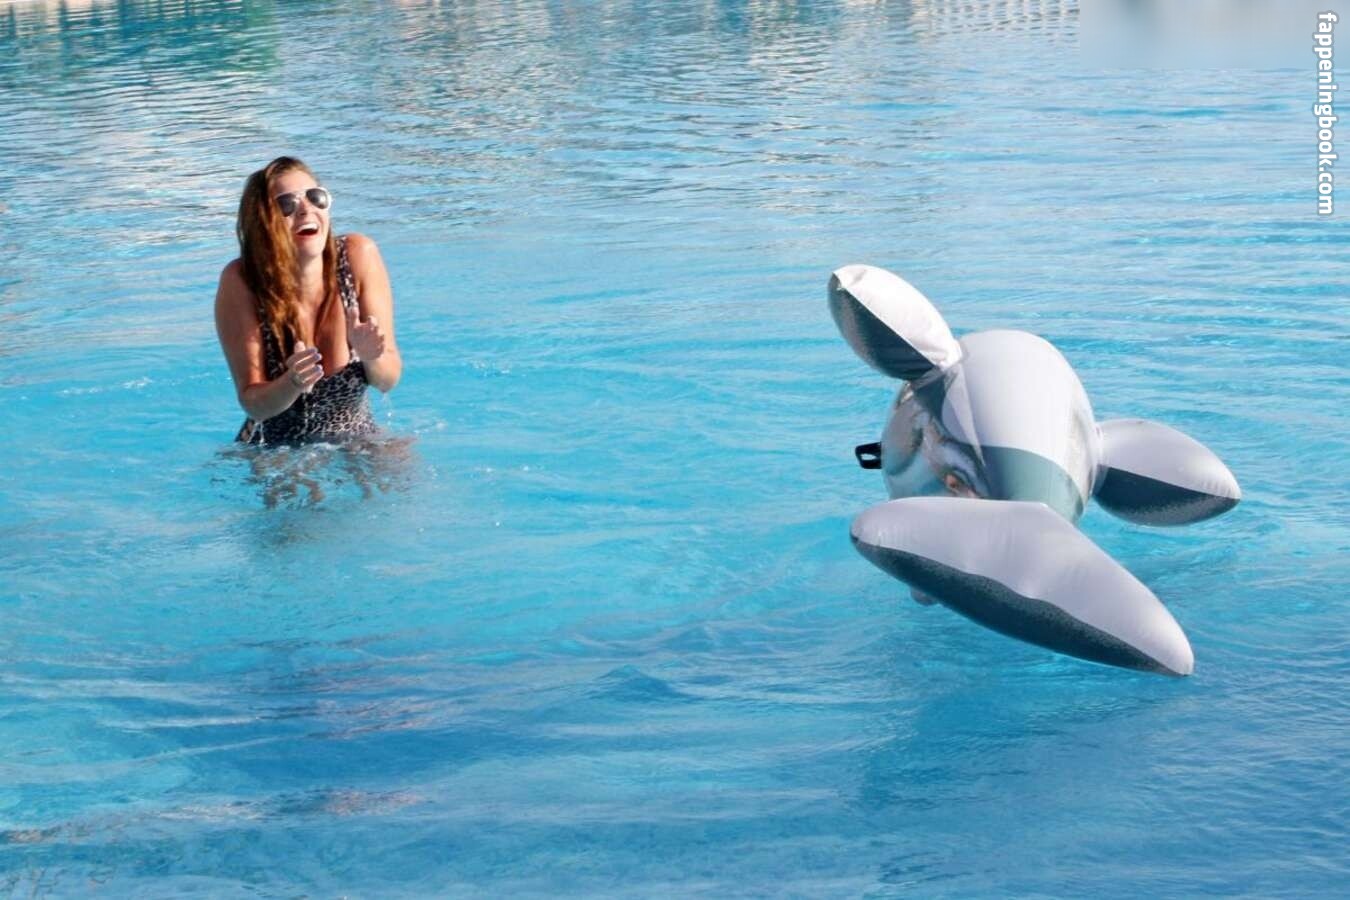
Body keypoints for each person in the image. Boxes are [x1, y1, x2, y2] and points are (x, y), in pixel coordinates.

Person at [215, 156, 402, 444]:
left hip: (356, 434)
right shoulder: (242, 281)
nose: (306, 209)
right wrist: (292, 382)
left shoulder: (357, 257)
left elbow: (388, 380)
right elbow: (253, 404)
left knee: (402, 463)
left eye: (316, 197)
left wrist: (371, 357)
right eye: (287, 204)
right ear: (263, 223)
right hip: (275, 446)